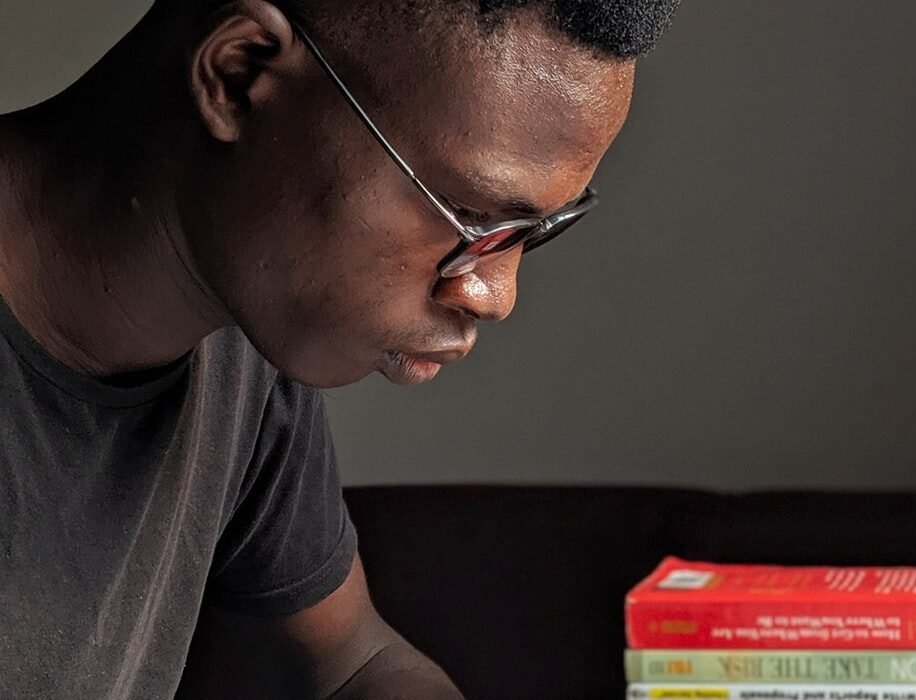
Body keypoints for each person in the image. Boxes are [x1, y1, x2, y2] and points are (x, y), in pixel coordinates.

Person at [0, 0, 679, 696]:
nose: (495, 294)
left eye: (531, 231)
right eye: (470, 214)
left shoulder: (245, 340)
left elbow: (357, 664)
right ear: (238, 74)